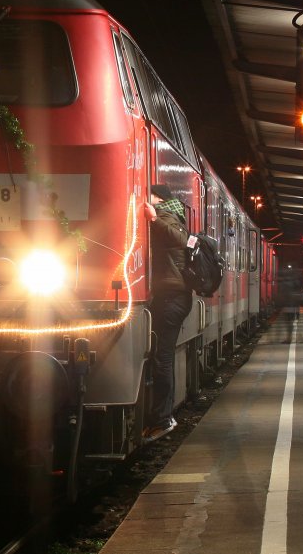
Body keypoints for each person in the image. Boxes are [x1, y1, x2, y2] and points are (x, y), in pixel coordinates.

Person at [142, 184, 193, 443]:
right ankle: (160, 416)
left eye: (149, 196)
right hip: (171, 297)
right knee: (160, 356)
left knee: (162, 358)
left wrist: (152, 219)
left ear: (157, 199)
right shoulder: (171, 215)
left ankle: (163, 419)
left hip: (173, 298)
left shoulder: (167, 217)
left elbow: (179, 239)